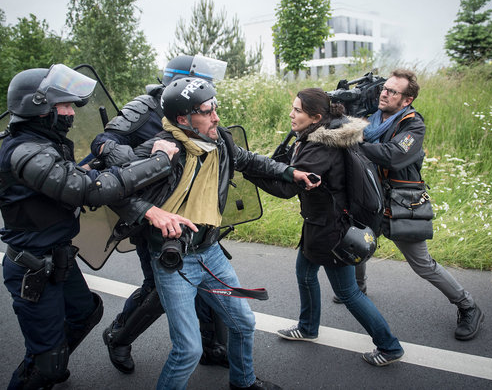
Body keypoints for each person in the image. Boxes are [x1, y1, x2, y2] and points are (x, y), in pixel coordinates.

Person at [110, 77, 319, 389]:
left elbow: (249, 161)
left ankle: (243, 382)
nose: (216, 117)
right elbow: (114, 190)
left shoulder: (220, 139)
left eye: (215, 109)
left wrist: (292, 172)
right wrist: (148, 212)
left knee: (244, 323)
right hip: (175, 261)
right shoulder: (160, 150)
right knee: (188, 350)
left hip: (209, 252)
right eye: (207, 112)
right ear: (183, 119)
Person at [0, 64, 179, 389]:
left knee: (86, 313)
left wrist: (103, 160)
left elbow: (72, 176)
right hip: (33, 268)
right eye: (64, 105)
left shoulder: (44, 143)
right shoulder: (28, 152)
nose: (71, 113)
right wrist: (159, 160)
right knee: (45, 364)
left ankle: (50, 360)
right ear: (40, 108)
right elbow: (91, 191)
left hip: (58, 258)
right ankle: (43, 367)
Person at [244, 88, 405, 367]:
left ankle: (389, 346)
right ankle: (307, 327)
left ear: (316, 117)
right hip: (319, 223)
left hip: (331, 230)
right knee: (305, 273)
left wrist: (247, 168)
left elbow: (287, 188)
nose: (291, 114)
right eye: (292, 108)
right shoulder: (323, 133)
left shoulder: (321, 146)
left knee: (347, 292)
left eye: (298, 110)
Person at [93, 55, 231, 373]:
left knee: (205, 276)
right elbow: (103, 143)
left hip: (193, 210)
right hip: (152, 212)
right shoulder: (145, 107)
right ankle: (118, 336)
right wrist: (147, 163)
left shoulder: (194, 108)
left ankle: (211, 345)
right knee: (160, 286)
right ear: (177, 80)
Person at [358, 68, 484, 341]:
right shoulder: (369, 120)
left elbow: (392, 156)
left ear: (407, 100)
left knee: (422, 264)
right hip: (372, 197)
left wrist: (351, 143)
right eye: (384, 88)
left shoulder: (413, 125)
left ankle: (468, 305)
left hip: (402, 203)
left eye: (392, 91)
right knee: (360, 242)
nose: (384, 93)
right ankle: (357, 289)